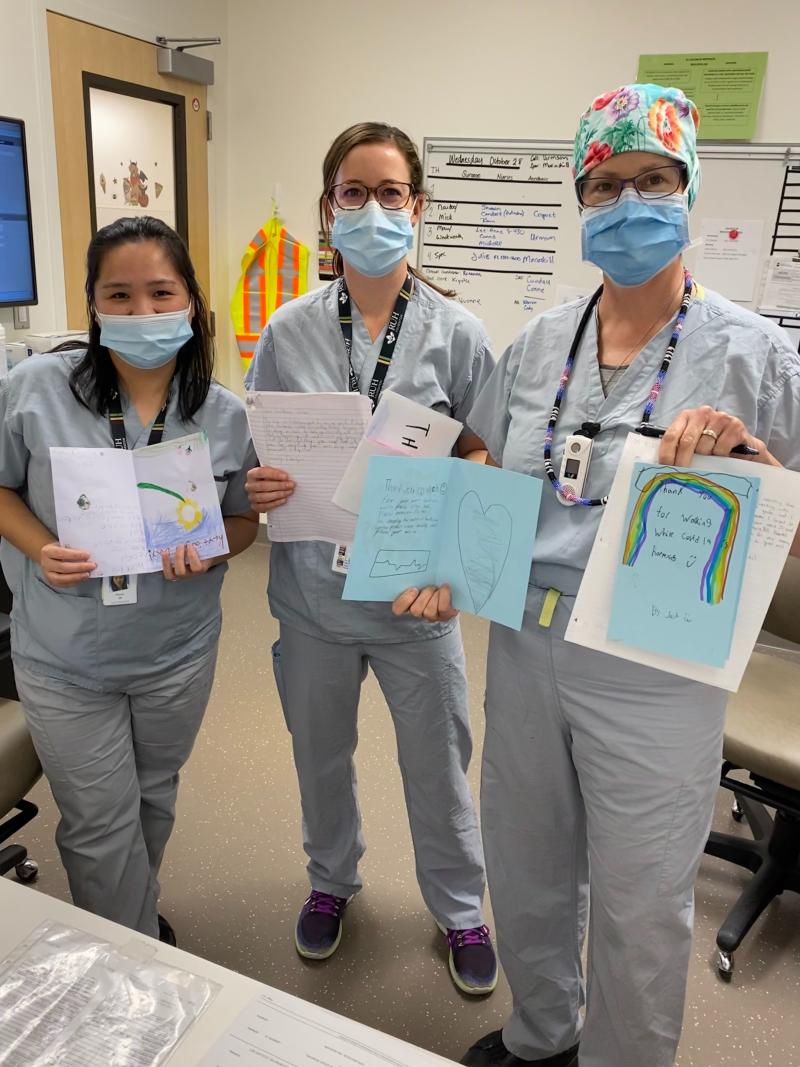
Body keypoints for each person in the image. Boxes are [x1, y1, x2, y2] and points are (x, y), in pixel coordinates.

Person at [395, 85, 800, 1066]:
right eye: (605, 184)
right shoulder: (539, 342)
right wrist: (440, 558)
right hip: (527, 638)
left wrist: (754, 467)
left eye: (651, 180)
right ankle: (541, 1033)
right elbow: (491, 469)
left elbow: (790, 518)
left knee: (637, 899)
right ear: (581, 199)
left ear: (686, 188)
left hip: (655, 654)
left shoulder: (753, 353)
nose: (627, 202)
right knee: (528, 862)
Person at [245, 122, 498, 995]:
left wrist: (457, 572)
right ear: (329, 209)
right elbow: (262, 448)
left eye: (392, 193)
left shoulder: (460, 335)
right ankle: (331, 880)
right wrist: (262, 484)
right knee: (320, 753)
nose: (374, 208)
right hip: (312, 594)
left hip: (413, 601)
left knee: (437, 764)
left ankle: (461, 905)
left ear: (417, 207)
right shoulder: (287, 328)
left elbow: (485, 460)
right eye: (355, 192)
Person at [0, 216, 259, 943]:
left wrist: (211, 550)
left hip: (174, 653)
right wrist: (41, 545)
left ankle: (129, 916)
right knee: (95, 818)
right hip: (65, 654)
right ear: (93, 304)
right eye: (119, 295)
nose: (141, 312)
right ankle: (127, 950)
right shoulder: (34, 389)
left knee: (152, 797)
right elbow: (1, 489)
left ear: (191, 303)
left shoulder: (223, 414)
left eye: (159, 292)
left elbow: (240, 523)